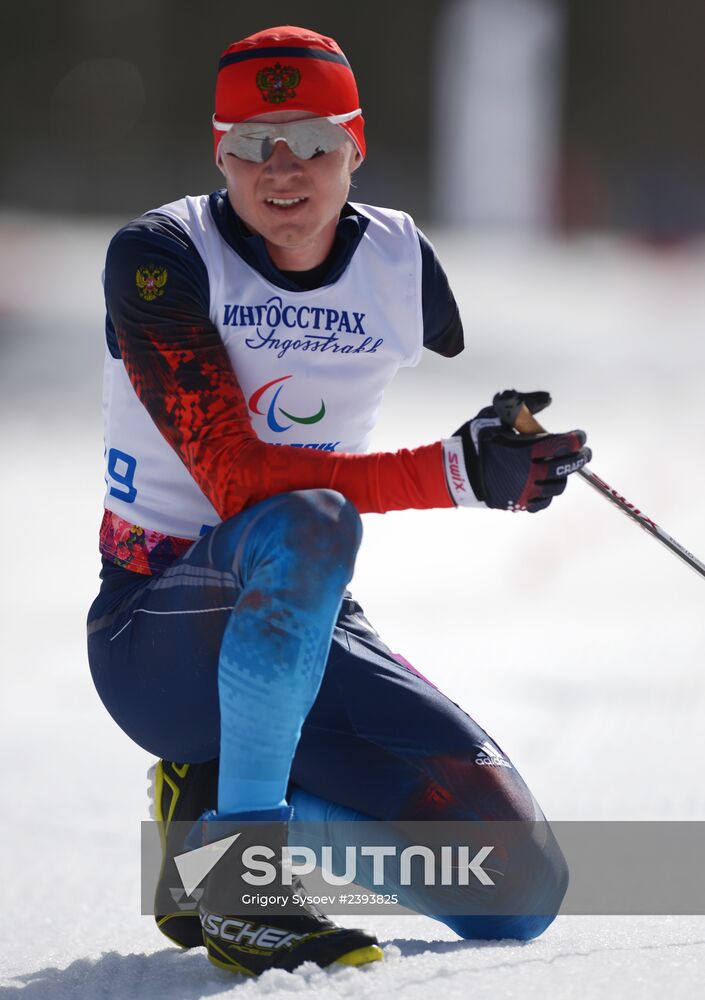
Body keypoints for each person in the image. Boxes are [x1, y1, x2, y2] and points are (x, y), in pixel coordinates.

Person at [87, 25, 590, 977]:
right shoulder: (160, 256)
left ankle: (201, 815)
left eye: (312, 138)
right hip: (160, 626)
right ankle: (243, 884)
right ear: (217, 153)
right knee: (310, 521)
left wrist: (503, 454)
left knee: (518, 889)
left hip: (304, 623)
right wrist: (450, 474)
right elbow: (234, 484)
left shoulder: (402, 268)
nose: (282, 168)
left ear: (356, 141)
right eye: (250, 143)